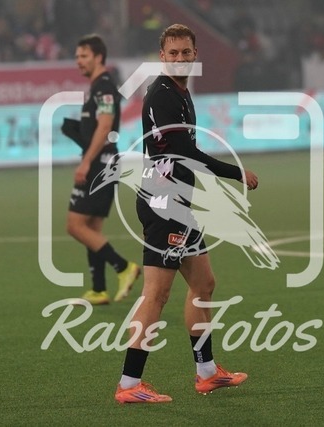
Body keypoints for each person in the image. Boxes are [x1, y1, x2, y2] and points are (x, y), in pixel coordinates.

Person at [114, 24, 259, 404]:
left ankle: (207, 373)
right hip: (164, 205)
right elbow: (185, 153)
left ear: (195, 55)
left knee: (204, 284)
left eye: (186, 52)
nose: (180, 58)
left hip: (177, 205)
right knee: (156, 294)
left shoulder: (179, 91)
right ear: (162, 56)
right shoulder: (162, 95)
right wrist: (236, 173)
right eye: (173, 53)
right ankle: (129, 384)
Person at [61, 34, 140, 305]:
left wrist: (86, 162)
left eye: (83, 56)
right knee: (91, 227)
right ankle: (98, 290)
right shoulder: (98, 87)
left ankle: (124, 267)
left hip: (100, 163)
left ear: (99, 57)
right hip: (105, 162)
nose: (78, 61)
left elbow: (105, 126)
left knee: (75, 225)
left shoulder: (104, 87)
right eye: (76, 57)